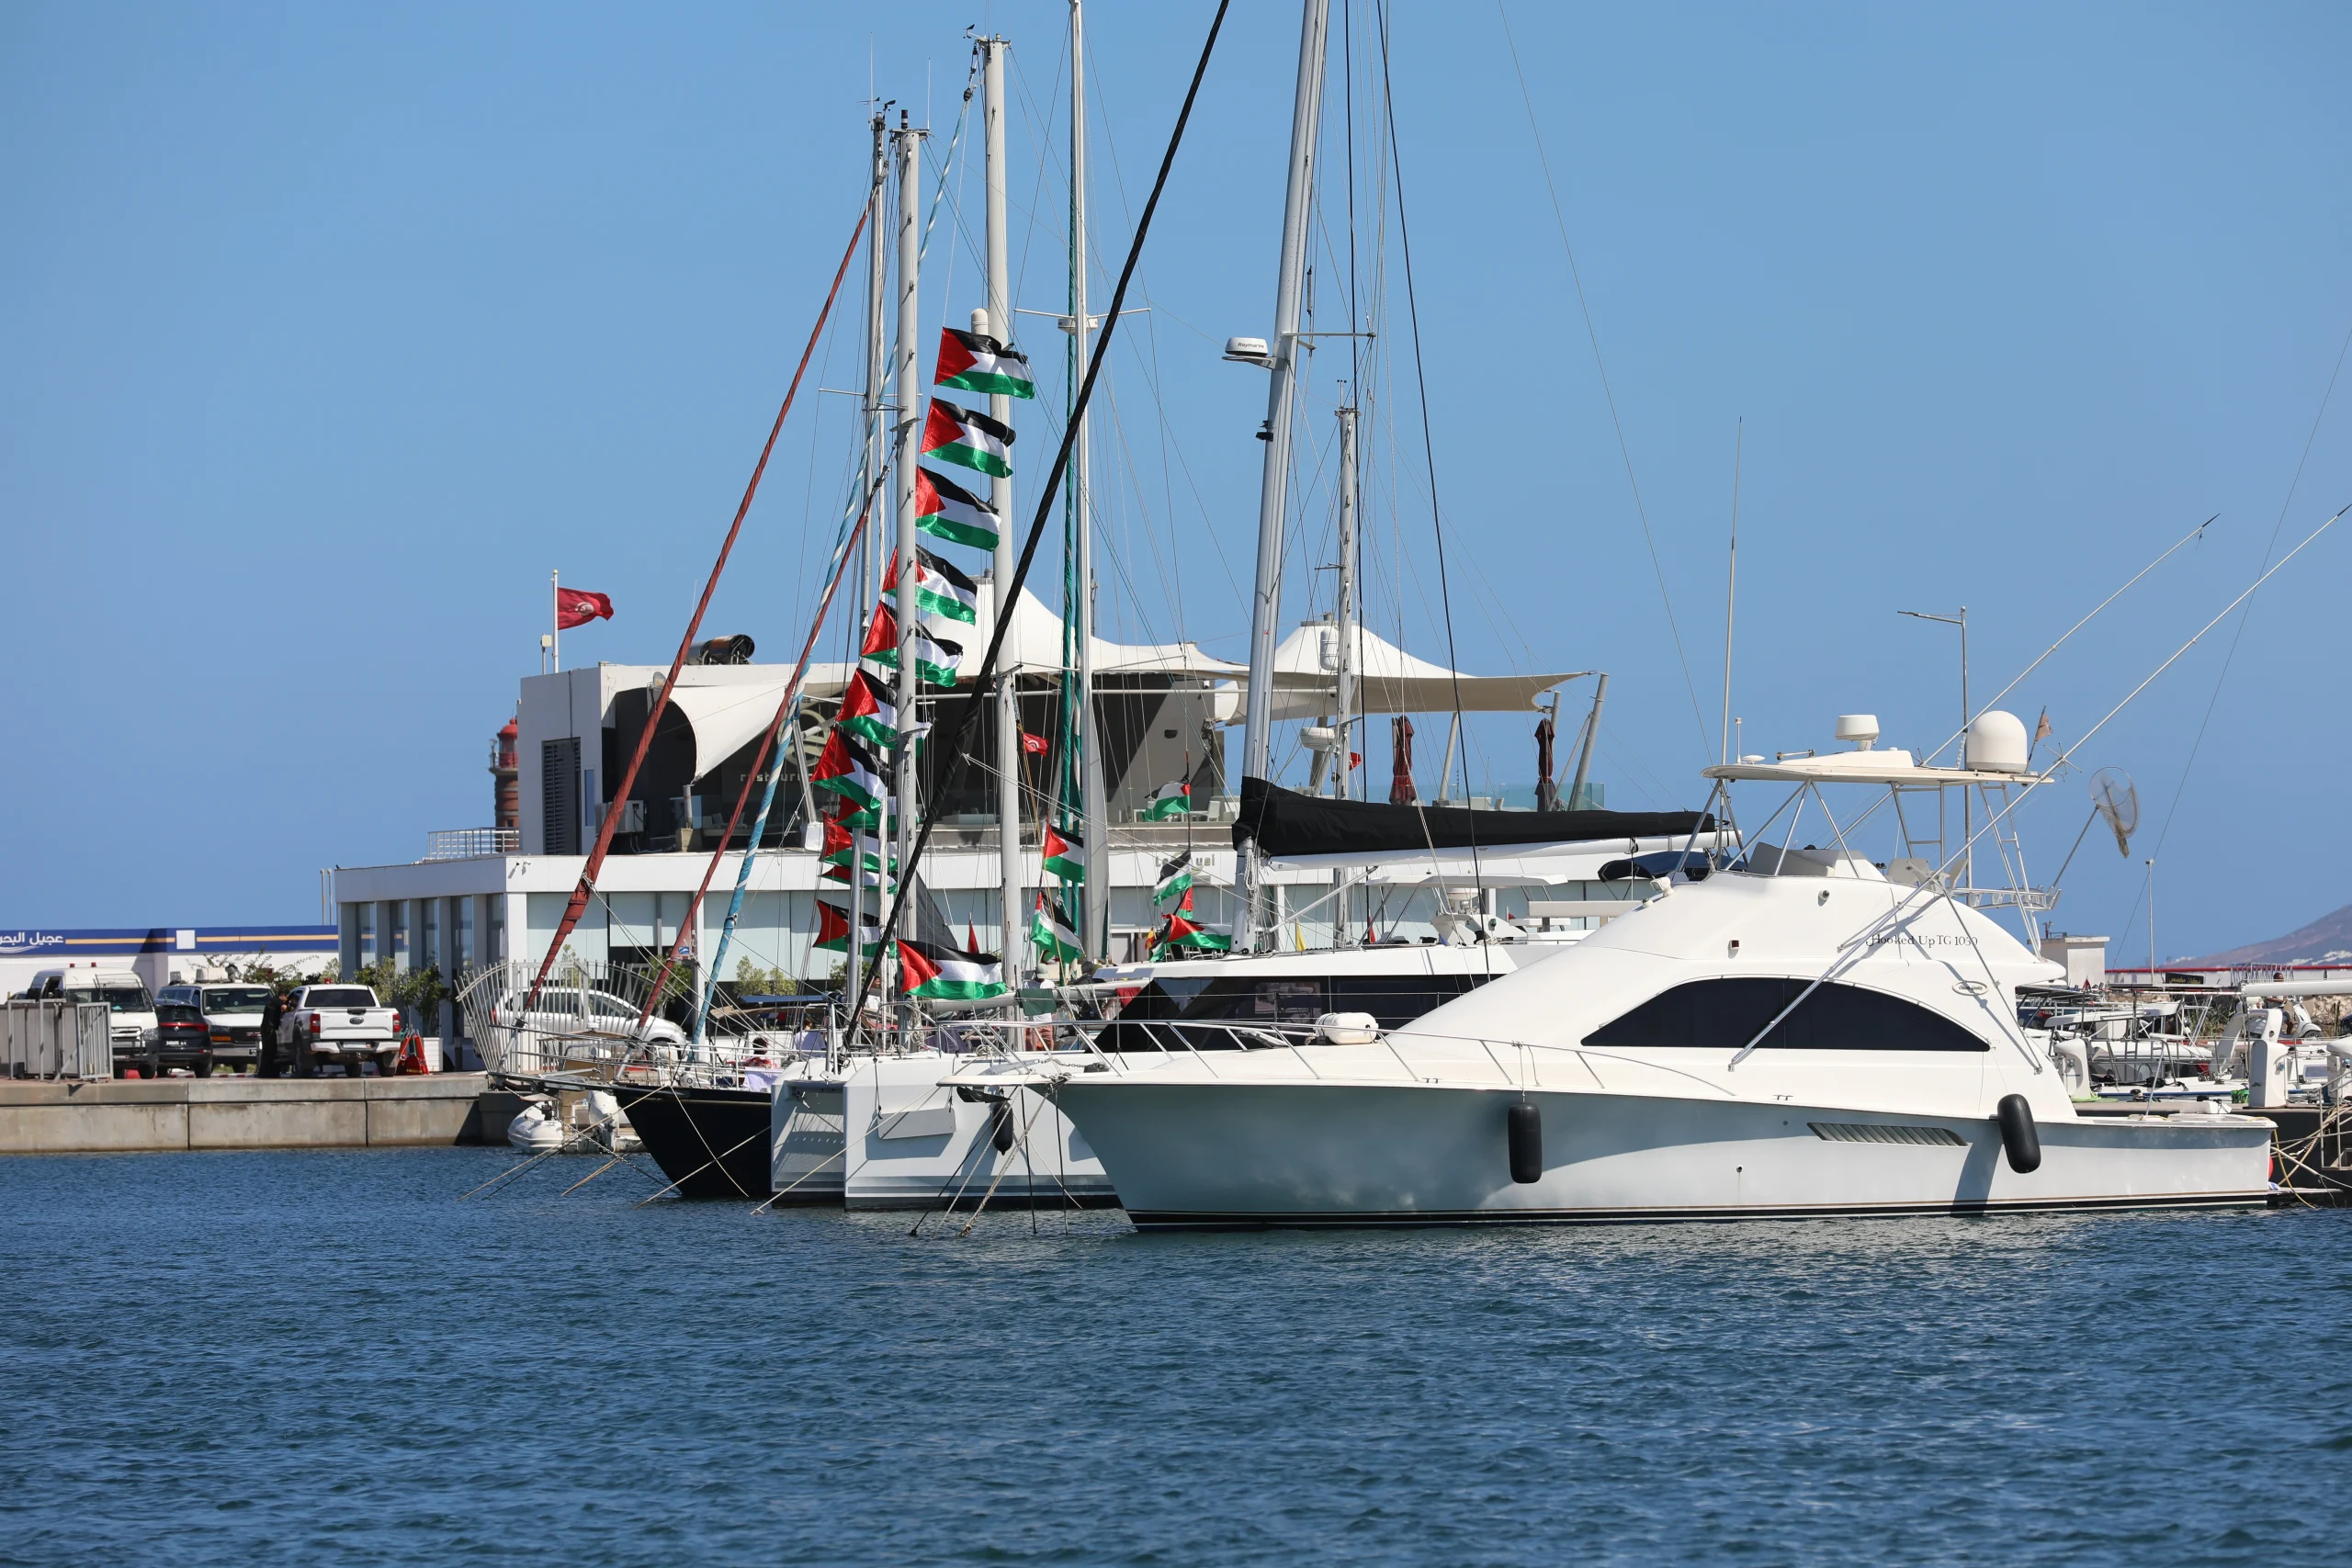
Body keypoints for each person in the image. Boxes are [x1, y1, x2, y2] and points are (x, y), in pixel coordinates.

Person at [258, 987, 285, 1078]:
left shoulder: (272, 1000)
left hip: (265, 1028)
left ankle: (263, 1073)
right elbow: (285, 1008)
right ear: (283, 996)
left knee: (266, 1052)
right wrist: (293, 1006)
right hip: (269, 1029)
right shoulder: (278, 1001)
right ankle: (269, 1073)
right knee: (271, 1051)